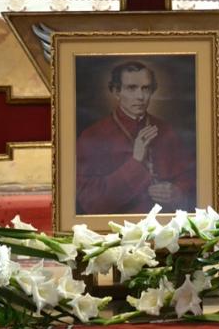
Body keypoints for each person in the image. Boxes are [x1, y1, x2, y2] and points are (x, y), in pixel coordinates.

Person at [75, 61, 196, 214]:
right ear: (116, 92)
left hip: (164, 222)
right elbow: (91, 203)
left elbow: (189, 182)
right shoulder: (93, 135)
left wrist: (177, 194)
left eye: (146, 88)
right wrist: (136, 161)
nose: (140, 97)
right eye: (131, 88)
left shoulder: (166, 130)